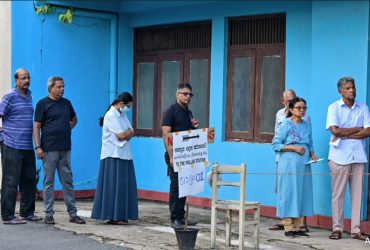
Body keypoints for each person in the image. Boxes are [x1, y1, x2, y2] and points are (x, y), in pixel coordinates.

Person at [33, 76, 85, 225]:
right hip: (48, 149)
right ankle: (48, 214)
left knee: (67, 181)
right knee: (49, 182)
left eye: (63, 87)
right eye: (59, 87)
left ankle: (73, 214)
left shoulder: (66, 103)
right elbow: (36, 126)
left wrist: (65, 128)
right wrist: (38, 147)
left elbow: (74, 119)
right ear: (51, 88)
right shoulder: (42, 104)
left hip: (65, 148)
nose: (62, 89)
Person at [326, 76, 370, 240]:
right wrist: (358, 129)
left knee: (357, 195)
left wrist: (347, 133)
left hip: (358, 156)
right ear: (340, 91)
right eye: (348, 88)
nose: (352, 90)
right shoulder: (333, 108)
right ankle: (337, 229)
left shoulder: (363, 107)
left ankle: (356, 230)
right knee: (338, 195)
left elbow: (368, 131)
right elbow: (335, 131)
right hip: (339, 157)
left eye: (353, 88)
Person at [0, 68, 42, 224]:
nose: (27, 80)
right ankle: (8, 216)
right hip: (11, 144)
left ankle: (27, 213)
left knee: (29, 179)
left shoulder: (29, 95)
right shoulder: (10, 96)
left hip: (27, 145)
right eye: (23, 78)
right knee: (10, 180)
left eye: (28, 77)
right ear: (16, 80)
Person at [271, 97, 317, 237]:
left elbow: (310, 142)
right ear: (291, 109)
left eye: (304, 108)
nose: (302, 110)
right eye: (299, 108)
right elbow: (275, 144)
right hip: (288, 164)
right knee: (289, 192)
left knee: (301, 192)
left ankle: (297, 226)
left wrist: (312, 154)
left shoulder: (306, 124)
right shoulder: (285, 124)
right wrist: (294, 148)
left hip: (303, 164)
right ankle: (288, 227)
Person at [91, 92, 138, 225]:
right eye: (128, 105)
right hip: (112, 154)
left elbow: (131, 131)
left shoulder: (122, 115)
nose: (128, 108)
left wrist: (127, 133)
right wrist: (128, 133)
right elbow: (122, 136)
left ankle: (122, 215)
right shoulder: (111, 115)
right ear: (122, 103)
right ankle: (114, 216)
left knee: (123, 186)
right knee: (113, 186)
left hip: (124, 154)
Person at [162, 83, 199, 229]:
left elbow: (187, 134)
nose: (188, 97)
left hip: (186, 155)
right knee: (176, 186)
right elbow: (166, 135)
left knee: (185, 186)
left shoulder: (187, 112)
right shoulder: (170, 111)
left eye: (190, 95)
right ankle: (175, 218)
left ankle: (182, 216)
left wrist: (193, 127)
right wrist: (171, 156)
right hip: (174, 155)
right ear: (178, 94)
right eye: (185, 94)